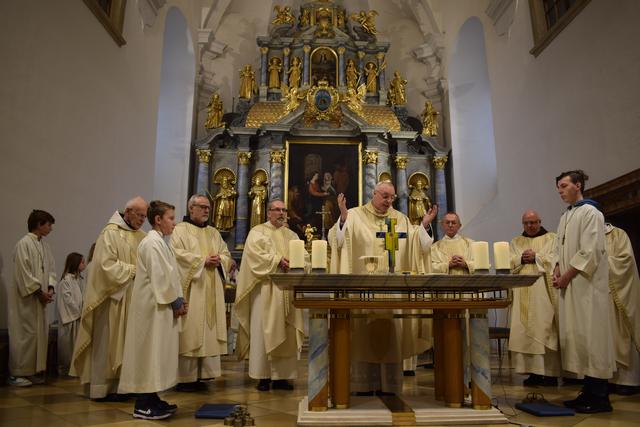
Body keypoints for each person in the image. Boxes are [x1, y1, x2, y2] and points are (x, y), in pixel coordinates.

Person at [327, 181, 437, 394]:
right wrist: (342, 219)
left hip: (392, 292)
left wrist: (423, 226)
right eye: (385, 196)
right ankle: (363, 386)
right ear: (374, 194)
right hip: (362, 291)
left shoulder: (400, 219)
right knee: (361, 337)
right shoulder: (354, 215)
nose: (388, 201)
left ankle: (389, 385)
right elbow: (337, 240)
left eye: (392, 197)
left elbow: (417, 243)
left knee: (391, 336)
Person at [70, 197, 148, 401]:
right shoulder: (109, 233)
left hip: (133, 300)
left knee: (127, 344)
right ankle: (102, 388)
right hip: (112, 299)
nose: (142, 220)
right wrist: (133, 270)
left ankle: (123, 386)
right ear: (128, 211)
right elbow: (105, 266)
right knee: (108, 342)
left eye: (145, 216)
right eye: (140, 215)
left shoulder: (142, 236)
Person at [552, 169, 614, 413]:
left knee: (592, 338)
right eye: (558, 187)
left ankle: (600, 397)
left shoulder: (591, 212)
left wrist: (567, 275)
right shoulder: (566, 216)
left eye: (564, 186)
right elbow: (558, 246)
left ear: (578, 185)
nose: (560, 191)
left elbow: (590, 250)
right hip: (572, 286)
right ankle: (587, 392)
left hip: (586, 288)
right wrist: (557, 267)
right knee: (580, 339)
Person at [118, 200, 186, 420]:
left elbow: (171, 275)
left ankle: (153, 397)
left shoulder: (160, 242)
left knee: (157, 353)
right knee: (149, 354)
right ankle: (143, 403)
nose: (174, 224)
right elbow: (159, 277)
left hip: (160, 307)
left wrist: (178, 299)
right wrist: (175, 301)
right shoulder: (151, 243)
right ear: (158, 220)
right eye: (171, 218)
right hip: (152, 309)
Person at [235, 200, 306, 391]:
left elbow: (303, 256)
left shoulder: (291, 235)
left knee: (288, 331)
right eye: (277, 210)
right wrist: (277, 261)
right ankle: (263, 376)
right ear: (268, 213)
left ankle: (283, 377)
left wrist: (298, 262)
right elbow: (254, 257)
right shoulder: (257, 232)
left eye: (284, 210)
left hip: (287, 291)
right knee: (262, 331)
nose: (281, 213)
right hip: (265, 290)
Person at [170, 194, 236, 391]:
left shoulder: (214, 232)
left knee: (207, 330)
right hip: (193, 289)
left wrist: (221, 260)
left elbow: (226, 254)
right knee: (191, 330)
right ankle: (185, 377)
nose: (207, 210)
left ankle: (202, 375)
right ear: (191, 209)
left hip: (211, 288)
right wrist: (202, 261)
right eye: (202, 207)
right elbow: (176, 255)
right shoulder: (179, 230)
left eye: (208, 207)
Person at [508, 210, 561, 386]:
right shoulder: (516, 242)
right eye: (526, 223)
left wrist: (536, 257)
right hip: (522, 290)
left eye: (533, 222)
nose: (530, 226)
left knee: (545, 327)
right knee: (525, 330)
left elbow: (556, 259)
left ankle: (551, 374)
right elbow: (509, 262)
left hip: (543, 292)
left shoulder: (552, 238)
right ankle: (534, 373)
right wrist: (521, 259)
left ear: (540, 221)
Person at [8, 209, 56, 387]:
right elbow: (24, 273)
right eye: (49, 224)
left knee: (38, 336)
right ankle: (17, 373)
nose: (51, 228)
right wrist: (39, 292)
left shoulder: (45, 245)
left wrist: (50, 288)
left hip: (41, 300)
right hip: (27, 301)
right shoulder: (23, 244)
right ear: (39, 224)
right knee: (25, 335)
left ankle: (32, 371)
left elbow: (51, 269)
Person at [604, 223, 640, 395]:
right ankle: (609, 379)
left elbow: (625, 261)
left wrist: (599, 260)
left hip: (617, 292)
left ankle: (628, 381)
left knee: (622, 332)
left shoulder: (617, 234)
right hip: (598, 296)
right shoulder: (585, 236)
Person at [57, 252, 86, 376]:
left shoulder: (79, 279)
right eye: (82, 262)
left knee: (75, 345)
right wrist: (77, 311)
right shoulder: (66, 280)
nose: (84, 264)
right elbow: (67, 299)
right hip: (69, 318)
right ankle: (64, 369)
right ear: (75, 264)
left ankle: (75, 369)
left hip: (78, 316)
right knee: (67, 346)